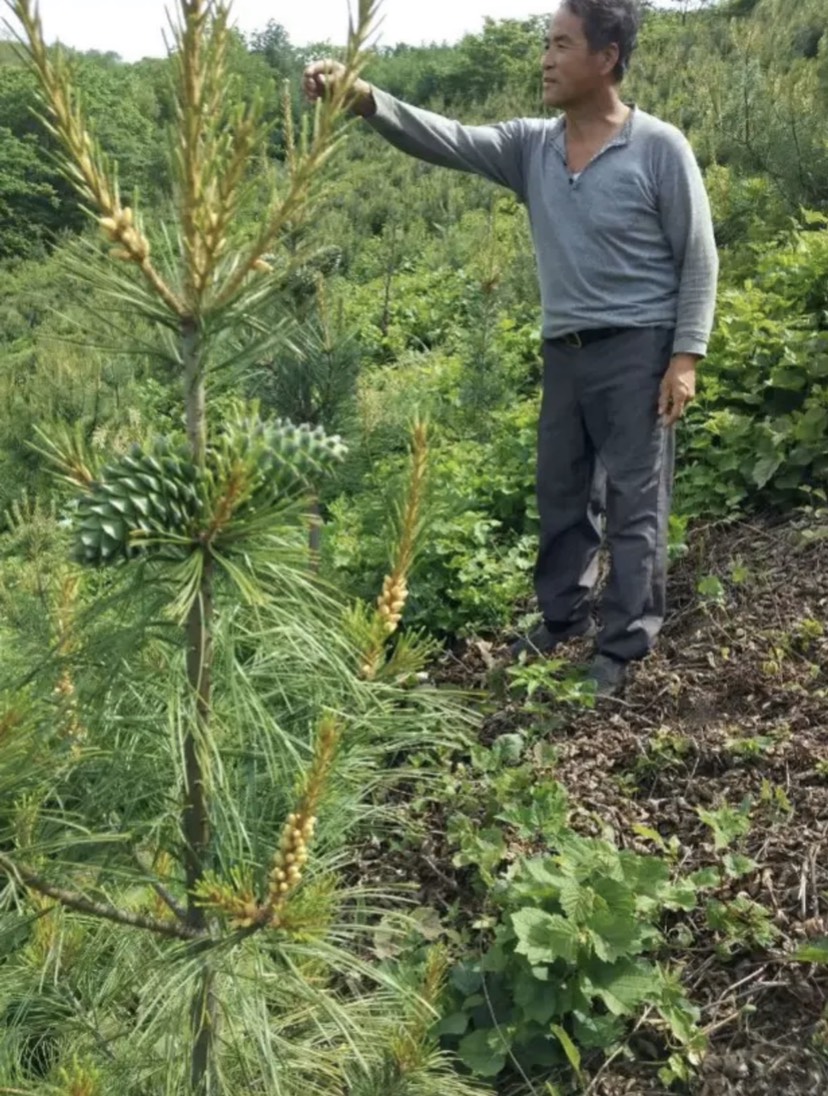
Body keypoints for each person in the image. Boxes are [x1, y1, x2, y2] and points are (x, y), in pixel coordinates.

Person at [303, 0, 718, 697]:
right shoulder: (534, 147)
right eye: (545, 43)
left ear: (607, 57)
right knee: (560, 490)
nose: (546, 59)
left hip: (638, 350)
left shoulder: (658, 148)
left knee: (634, 499)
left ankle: (623, 645)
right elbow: (449, 139)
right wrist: (364, 97)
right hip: (565, 348)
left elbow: (698, 256)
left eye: (561, 44)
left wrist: (685, 357)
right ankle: (562, 615)